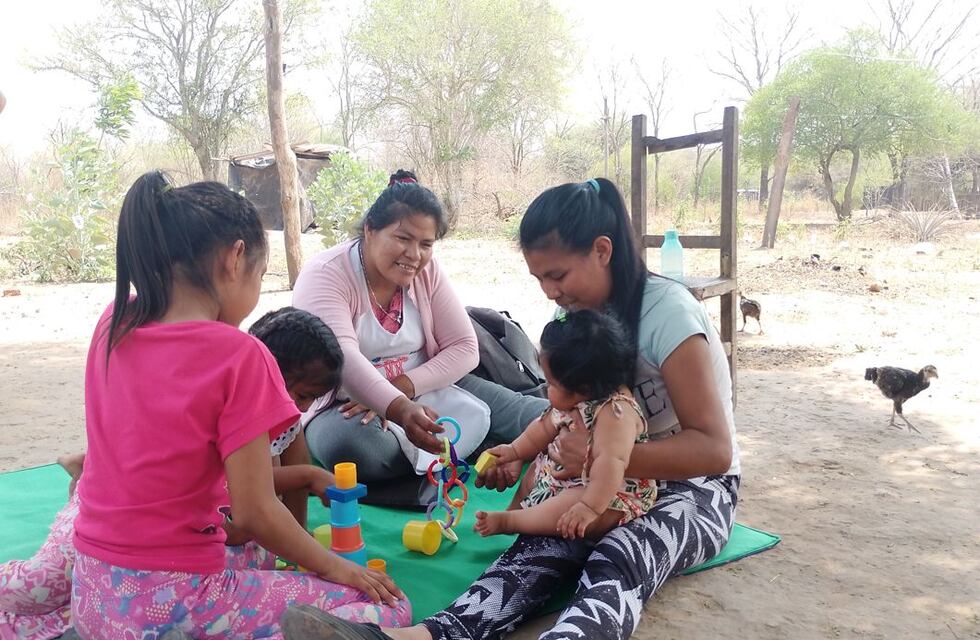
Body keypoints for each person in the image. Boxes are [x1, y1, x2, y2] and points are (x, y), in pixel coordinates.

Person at [279, 177, 740, 640]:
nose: (548, 293)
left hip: (692, 487)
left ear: (602, 251)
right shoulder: (577, 314)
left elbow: (714, 451)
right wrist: (524, 453)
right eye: (539, 279)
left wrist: (603, 459)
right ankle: (411, 638)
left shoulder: (667, 315)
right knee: (539, 549)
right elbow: (559, 415)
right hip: (597, 480)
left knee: (621, 554)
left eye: (556, 276)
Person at [66, 172, 408, 639]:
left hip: (93, 596)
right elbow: (255, 512)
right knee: (384, 605)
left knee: (255, 551)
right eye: (261, 275)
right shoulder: (240, 355)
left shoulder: (115, 319)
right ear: (235, 258)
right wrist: (336, 569)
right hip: (169, 605)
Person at [0, 306, 348, 639]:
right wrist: (295, 493)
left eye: (309, 400)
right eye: (299, 394)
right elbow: (249, 509)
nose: (299, 408)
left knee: (239, 567)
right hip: (125, 525)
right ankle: (87, 467)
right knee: (43, 583)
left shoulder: (281, 421)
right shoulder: (228, 390)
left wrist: (298, 534)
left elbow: (256, 496)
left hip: (170, 551)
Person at [293, 170, 498, 483]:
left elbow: (465, 348)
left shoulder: (426, 272)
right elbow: (342, 358)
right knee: (349, 446)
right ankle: (451, 454)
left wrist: (401, 389)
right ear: (370, 230)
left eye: (426, 244)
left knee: (516, 411)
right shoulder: (326, 274)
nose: (414, 255)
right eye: (403, 239)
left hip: (420, 386)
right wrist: (397, 408)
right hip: (346, 405)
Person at [473, 309, 654, 540]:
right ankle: (517, 510)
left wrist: (589, 507)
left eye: (550, 383)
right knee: (535, 469)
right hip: (563, 474)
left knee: (574, 501)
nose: (546, 389)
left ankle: (512, 521)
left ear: (583, 387)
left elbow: (612, 463)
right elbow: (541, 428)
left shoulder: (615, 414)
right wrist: (514, 451)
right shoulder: (572, 402)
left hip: (606, 491)